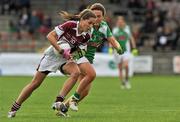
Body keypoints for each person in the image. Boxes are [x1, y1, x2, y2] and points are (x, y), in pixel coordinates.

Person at [8, 9, 97, 118]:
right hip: (52, 56)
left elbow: (80, 50)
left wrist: (72, 56)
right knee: (35, 84)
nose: (91, 26)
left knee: (76, 72)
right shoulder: (70, 25)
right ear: (82, 19)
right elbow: (50, 36)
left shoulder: (87, 35)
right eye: (90, 23)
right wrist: (60, 50)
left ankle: (58, 101)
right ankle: (14, 108)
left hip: (65, 59)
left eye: (93, 24)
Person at [54, 3, 123, 113]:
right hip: (79, 55)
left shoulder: (104, 27)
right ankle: (73, 100)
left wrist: (118, 47)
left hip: (88, 59)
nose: (96, 19)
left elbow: (112, 39)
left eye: (99, 16)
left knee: (85, 92)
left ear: (103, 17)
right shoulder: (86, 26)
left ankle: (63, 109)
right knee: (91, 75)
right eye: (94, 16)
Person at [112, 16, 138, 89]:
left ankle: (126, 80)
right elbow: (112, 39)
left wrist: (134, 48)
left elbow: (131, 38)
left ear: (123, 22)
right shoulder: (115, 30)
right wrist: (110, 48)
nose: (120, 23)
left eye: (121, 21)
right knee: (120, 68)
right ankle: (123, 83)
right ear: (117, 22)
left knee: (126, 66)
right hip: (117, 51)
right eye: (118, 21)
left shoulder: (127, 29)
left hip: (126, 51)